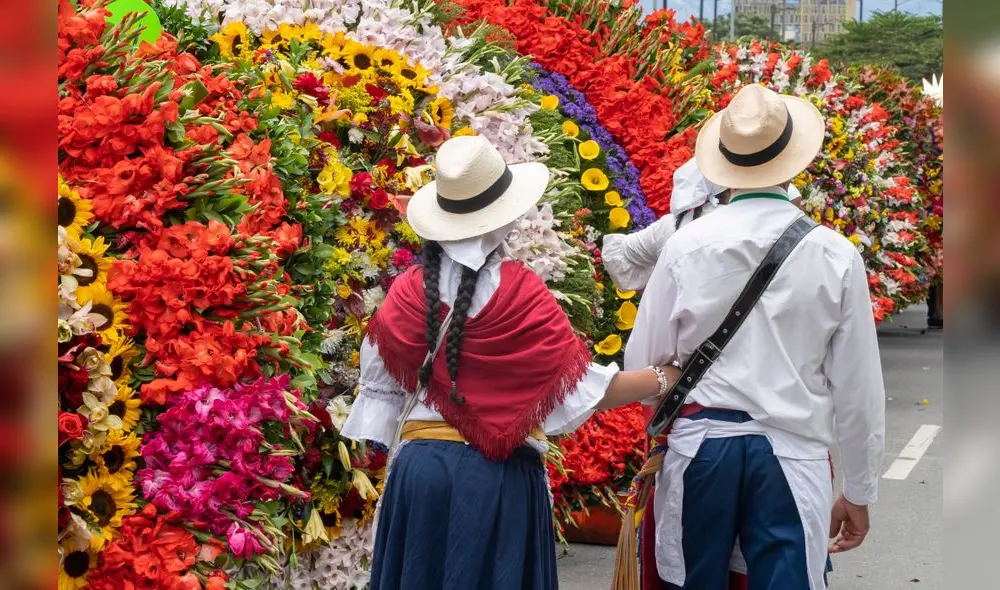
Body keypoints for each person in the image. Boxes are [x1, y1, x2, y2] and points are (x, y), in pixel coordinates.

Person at [340, 135, 682, 590]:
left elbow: (379, 398)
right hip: (497, 481)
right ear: (504, 220)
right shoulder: (522, 294)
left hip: (420, 477)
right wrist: (665, 378)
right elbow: (581, 391)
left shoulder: (404, 294)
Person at [624, 84, 886, 590]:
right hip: (791, 455)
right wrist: (858, 491)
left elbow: (646, 360)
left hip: (702, 448)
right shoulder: (834, 254)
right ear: (794, 161)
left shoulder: (685, 246)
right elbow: (857, 391)